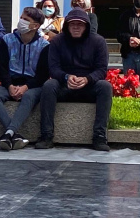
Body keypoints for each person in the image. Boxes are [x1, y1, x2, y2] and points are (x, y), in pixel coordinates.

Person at [37, 8, 112, 152]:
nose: (76, 27)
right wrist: (66, 77)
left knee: (105, 86)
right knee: (48, 85)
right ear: (67, 26)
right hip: (64, 84)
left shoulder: (98, 41)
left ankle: (99, 136)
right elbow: (53, 68)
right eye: (73, 24)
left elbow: (101, 70)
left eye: (80, 24)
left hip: (89, 85)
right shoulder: (57, 41)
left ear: (86, 26)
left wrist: (88, 79)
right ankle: (46, 136)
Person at [0, 7, 49, 151]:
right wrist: (9, 85)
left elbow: (42, 74)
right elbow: (2, 68)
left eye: (26, 20)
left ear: (35, 26)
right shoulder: (7, 40)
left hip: (32, 86)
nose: (21, 21)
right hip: (10, 83)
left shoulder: (44, 45)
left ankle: (8, 133)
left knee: (28, 96)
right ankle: (14, 135)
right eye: (21, 17)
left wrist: (26, 87)